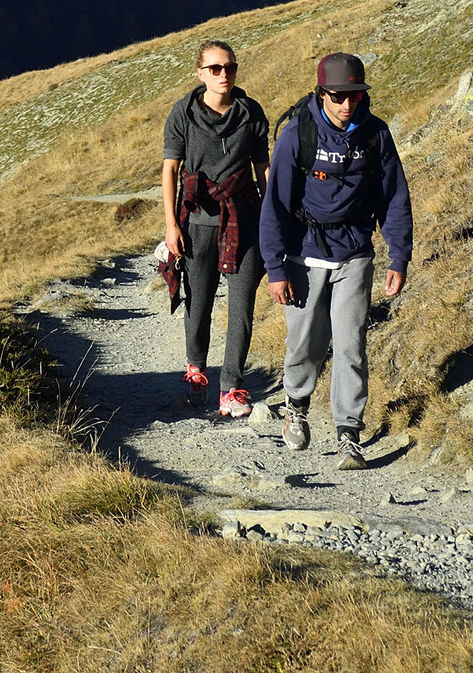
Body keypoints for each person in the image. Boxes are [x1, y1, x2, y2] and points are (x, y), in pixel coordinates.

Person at [258, 50, 413, 469]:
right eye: (338, 96)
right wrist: (275, 269)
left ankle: (349, 433)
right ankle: (296, 404)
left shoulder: (376, 135)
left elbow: (394, 197)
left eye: (355, 96)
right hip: (303, 255)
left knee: (350, 344)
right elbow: (274, 207)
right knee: (305, 341)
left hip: (356, 253)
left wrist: (398, 257)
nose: (347, 104)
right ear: (321, 92)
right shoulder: (297, 134)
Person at [161, 36, 269, 416]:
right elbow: (170, 171)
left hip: (243, 219)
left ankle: (232, 389)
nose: (225, 74)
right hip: (197, 222)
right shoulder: (182, 114)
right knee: (199, 302)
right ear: (200, 73)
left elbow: (262, 170)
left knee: (242, 307)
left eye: (231, 67)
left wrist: (271, 219)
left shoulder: (251, 112)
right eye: (216, 68)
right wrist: (172, 225)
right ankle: (195, 372)